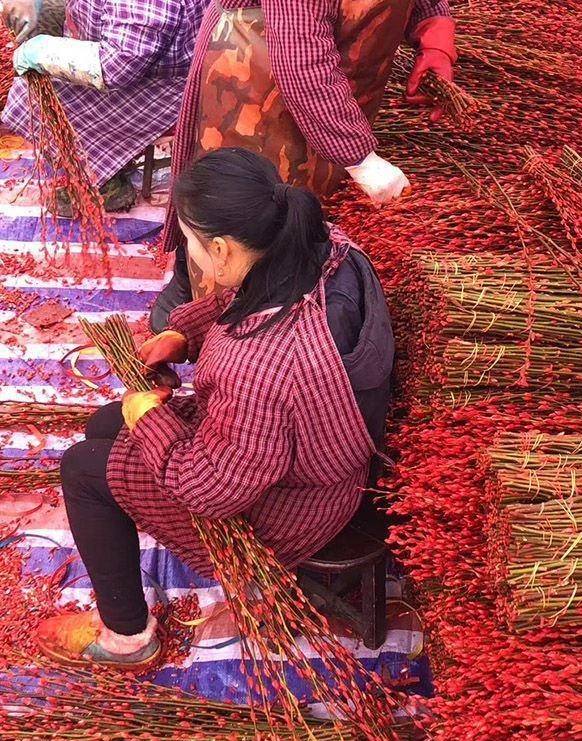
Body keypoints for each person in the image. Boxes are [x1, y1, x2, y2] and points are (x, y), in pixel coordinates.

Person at [36, 147, 395, 669]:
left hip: (291, 512)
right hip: (307, 456)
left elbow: (213, 489)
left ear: (222, 250)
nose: (189, 252)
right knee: (106, 423)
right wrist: (183, 334)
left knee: (82, 469)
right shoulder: (320, 246)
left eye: (189, 242)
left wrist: (150, 420)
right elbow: (239, 301)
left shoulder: (262, 366)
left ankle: (127, 637)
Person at [150, 0, 456, 331]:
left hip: (329, 83)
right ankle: (209, 316)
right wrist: (361, 160)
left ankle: (270, 318)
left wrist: (432, 29)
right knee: (243, 211)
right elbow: (303, 64)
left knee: (295, 216)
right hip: (259, 72)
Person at [1, 0, 207, 214]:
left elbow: (119, 65)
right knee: (44, 45)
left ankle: (104, 186)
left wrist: (42, 52)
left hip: (164, 86)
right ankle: (103, 161)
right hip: (135, 60)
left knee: (28, 96)